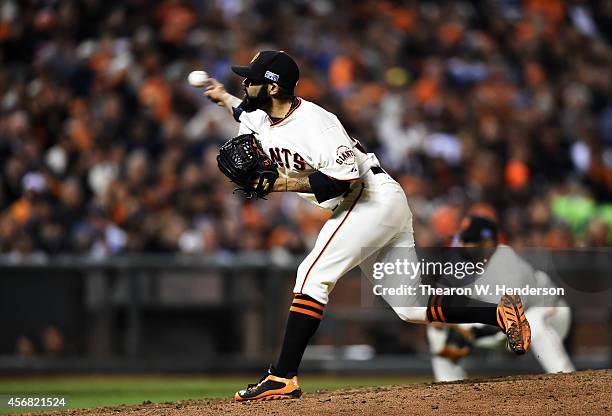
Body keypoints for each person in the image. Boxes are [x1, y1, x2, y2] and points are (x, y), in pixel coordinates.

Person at [202, 50, 531, 401]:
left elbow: (345, 180)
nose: (245, 82)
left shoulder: (316, 124)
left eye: (251, 78)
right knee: (410, 306)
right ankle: (499, 312)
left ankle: (283, 376)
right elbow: (243, 111)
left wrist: (281, 184)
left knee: (312, 274)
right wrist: (223, 97)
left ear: (271, 88)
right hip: (373, 205)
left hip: (370, 197)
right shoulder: (259, 115)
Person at [427, 216, 574, 381]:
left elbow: (513, 315)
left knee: (533, 320)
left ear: (488, 243)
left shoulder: (505, 260)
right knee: (438, 326)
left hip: (550, 315)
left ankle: (567, 381)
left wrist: (470, 332)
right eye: (462, 239)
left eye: (469, 240)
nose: (463, 245)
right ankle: (449, 389)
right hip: (501, 328)